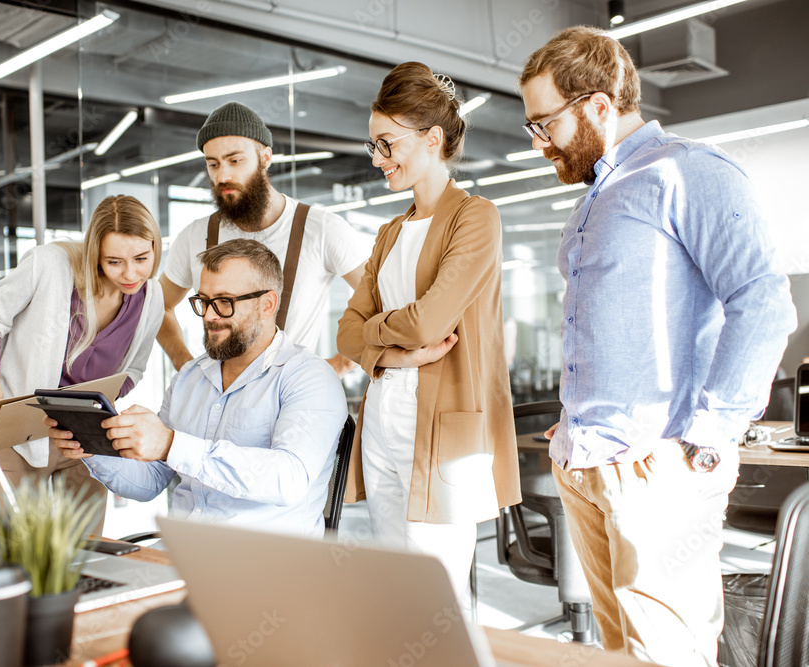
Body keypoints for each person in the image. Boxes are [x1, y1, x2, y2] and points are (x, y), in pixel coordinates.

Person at [518, 27, 797, 666]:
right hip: (584, 464)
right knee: (616, 655)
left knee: (664, 655)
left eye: (545, 124)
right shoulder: (595, 199)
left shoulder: (688, 173)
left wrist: (705, 441)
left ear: (596, 105)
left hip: (655, 470)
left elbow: (762, 302)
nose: (538, 144)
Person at [336, 62, 521, 615]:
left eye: (386, 143)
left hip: (444, 428)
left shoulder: (476, 217)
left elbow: (428, 322)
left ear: (433, 138)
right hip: (386, 415)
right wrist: (394, 352)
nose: (377, 159)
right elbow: (345, 332)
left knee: (437, 590)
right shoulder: (390, 230)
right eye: (373, 146)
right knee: (395, 581)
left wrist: (384, 339)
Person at [52, 239, 347, 537]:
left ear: (267, 304)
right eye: (203, 301)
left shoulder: (309, 378)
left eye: (224, 302)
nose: (209, 316)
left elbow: (289, 480)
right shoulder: (190, 377)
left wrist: (170, 444)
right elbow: (151, 481)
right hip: (182, 555)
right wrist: (93, 446)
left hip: (266, 567)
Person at [0, 195, 164, 527]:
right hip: (20, 430)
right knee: (2, 543)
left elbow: (133, 370)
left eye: (142, 258)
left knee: (84, 549)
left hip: (84, 436)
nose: (131, 273)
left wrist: (104, 399)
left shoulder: (151, 298)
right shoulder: (49, 264)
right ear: (95, 256)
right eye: (114, 261)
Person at [158, 101, 370, 377]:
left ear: (265, 157)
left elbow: (379, 298)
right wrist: (185, 366)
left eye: (235, 160)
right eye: (213, 164)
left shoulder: (321, 228)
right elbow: (159, 307)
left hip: (295, 401)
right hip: (220, 402)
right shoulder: (195, 236)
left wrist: (341, 363)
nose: (222, 175)